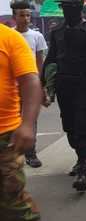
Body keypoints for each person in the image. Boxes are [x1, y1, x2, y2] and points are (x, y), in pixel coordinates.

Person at [42, 0, 86, 192]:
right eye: (63, 6)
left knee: (83, 126)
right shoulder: (56, 31)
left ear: (79, 8)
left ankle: (82, 167)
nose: (65, 10)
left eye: (69, 6)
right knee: (70, 128)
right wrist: (41, 82)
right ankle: (81, 157)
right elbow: (51, 58)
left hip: (85, 84)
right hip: (64, 85)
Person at [0, 23, 43, 220]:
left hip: (4, 136)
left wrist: (27, 125)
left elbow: (30, 80)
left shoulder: (9, 38)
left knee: (12, 202)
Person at [11, 1, 48, 168]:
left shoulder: (37, 37)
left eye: (28, 15)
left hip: (30, 85)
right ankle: (13, 152)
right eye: (22, 15)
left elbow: (40, 63)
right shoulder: (9, 36)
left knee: (30, 119)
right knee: (12, 119)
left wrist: (41, 86)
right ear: (14, 17)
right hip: (11, 86)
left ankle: (31, 154)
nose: (26, 19)